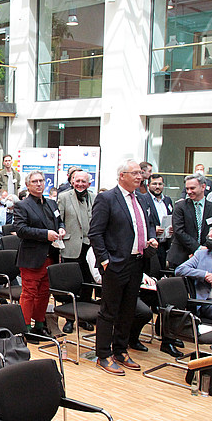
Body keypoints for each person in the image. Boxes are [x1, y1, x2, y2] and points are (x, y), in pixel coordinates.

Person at [88, 160, 158, 375]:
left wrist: (151, 239)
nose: (140, 176)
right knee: (109, 310)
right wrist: (105, 260)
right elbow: (95, 233)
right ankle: (103, 354)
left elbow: (147, 226)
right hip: (115, 263)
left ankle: (120, 350)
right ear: (122, 176)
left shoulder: (142, 199)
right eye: (135, 173)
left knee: (128, 309)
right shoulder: (107, 198)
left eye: (141, 173)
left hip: (137, 261)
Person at [14, 171, 65, 336]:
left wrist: (61, 228)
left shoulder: (52, 203)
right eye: (34, 181)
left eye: (41, 181)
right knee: (29, 293)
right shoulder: (23, 205)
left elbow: (59, 220)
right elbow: (21, 230)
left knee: (44, 293)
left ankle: (40, 324)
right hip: (32, 257)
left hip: (51, 254)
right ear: (28, 185)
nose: (39, 184)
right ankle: (25, 328)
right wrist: (45, 234)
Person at [57, 170, 95, 333]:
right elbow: (59, 221)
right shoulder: (64, 197)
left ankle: (83, 318)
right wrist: (61, 230)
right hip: (71, 246)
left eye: (83, 181)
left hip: (90, 246)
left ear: (89, 183)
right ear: (72, 182)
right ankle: (69, 319)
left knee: (88, 285)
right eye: (77, 181)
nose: (80, 184)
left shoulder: (95, 198)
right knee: (71, 285)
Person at [167, 173, 212, 269]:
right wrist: (197, 248)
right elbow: (179, 231)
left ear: (203, 187)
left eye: (192, 188)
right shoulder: (180, 207)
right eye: (187, 189)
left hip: (206, 256)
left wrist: (204, 250)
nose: (189, 192)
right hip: (181, 255)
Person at [175, 227, 212, 320]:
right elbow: (180, 270)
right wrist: (205, 275)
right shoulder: (201, 254)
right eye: (209, 236)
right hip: (208, 303)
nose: (210, 239)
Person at [143, 173, 173, 269]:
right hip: (151, 244)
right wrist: (152, 230)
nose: (157, 187)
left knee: (163, 270)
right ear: (148, 185)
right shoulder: (143, 199)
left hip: (165, 244)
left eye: (160, 184)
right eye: (154, 184)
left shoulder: (167, 200)